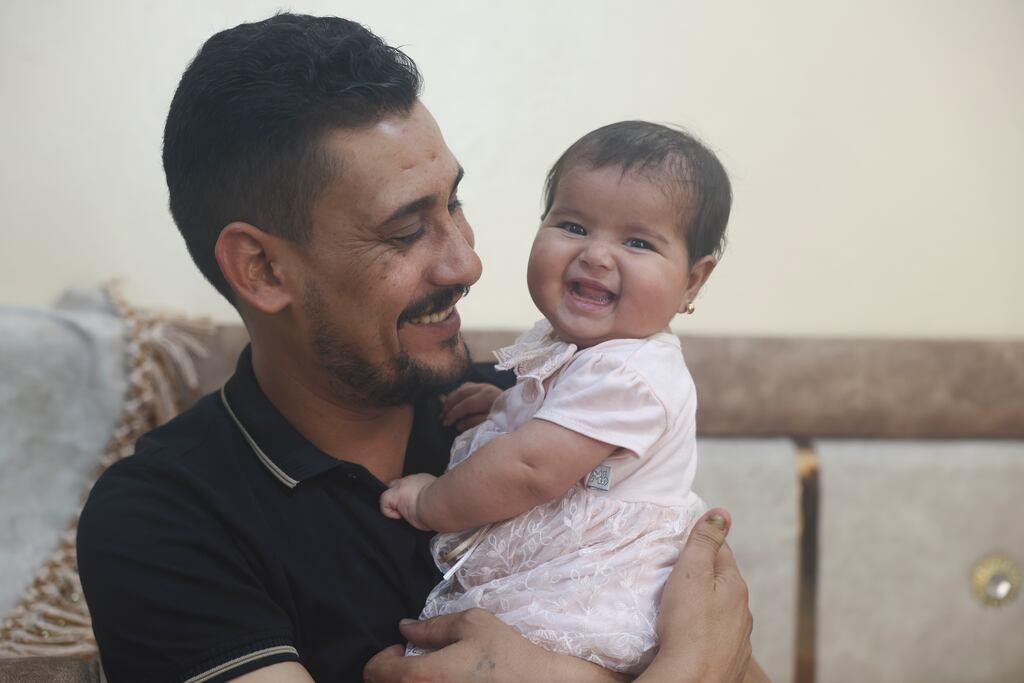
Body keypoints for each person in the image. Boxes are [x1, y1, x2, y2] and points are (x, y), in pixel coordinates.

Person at [76, 13, 758, 683]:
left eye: (454, 204)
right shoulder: (164, 520)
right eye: (406, 232)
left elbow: (735, 658)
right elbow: (704, 657)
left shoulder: (528, 407)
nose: (466, 263)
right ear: (262, 269)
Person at [381, 121, 725, 674]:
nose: (597, 255)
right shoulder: (573, 349)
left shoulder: (629, 373)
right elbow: (552, 428)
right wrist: (506, 409)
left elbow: (530, 468)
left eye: (638, 242)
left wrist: (430, 502)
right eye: (573, 225)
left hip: (586, 592)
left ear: (692, 281)